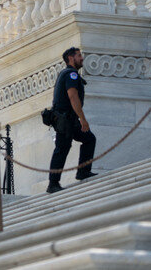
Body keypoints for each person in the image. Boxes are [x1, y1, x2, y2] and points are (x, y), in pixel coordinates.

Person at [46, 47, 97, 193]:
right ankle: (53, 184)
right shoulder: (71, 74)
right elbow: (73, 97)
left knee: (89, 139)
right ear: (70, 58)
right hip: (66, 120)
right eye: (79, 56)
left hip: (68, 120)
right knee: (62, 149)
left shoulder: (68, 73)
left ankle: (83, 171)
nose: (82, 58)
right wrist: (83, 119)